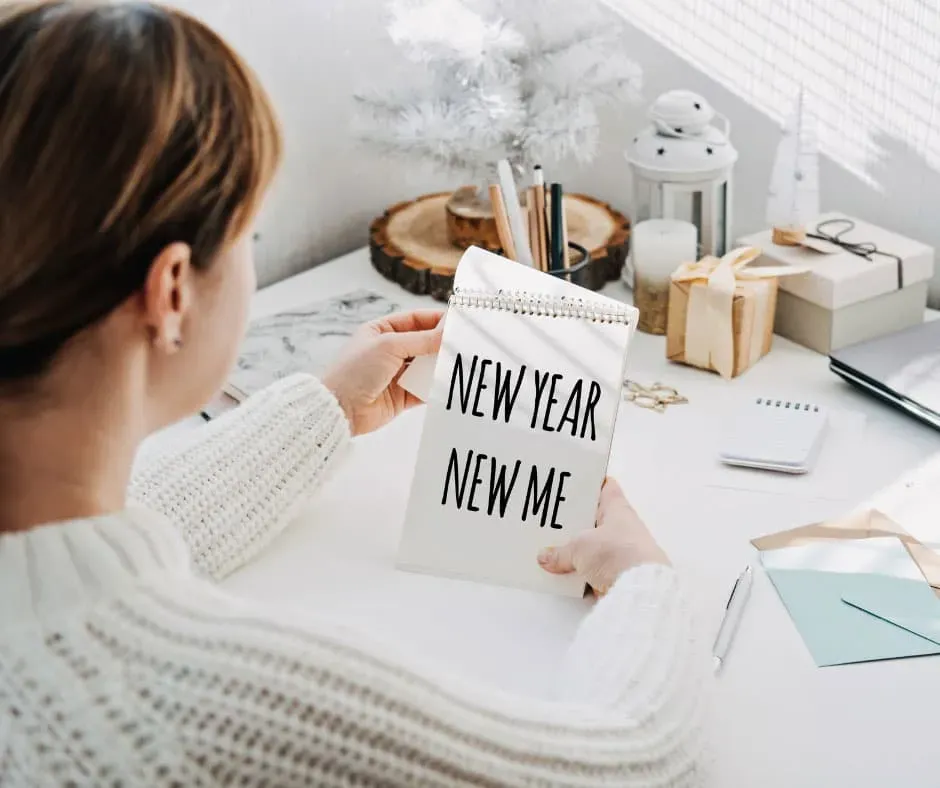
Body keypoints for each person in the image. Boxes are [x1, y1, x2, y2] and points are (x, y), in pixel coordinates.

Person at [0, 2, 711, 785]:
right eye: (248, 236)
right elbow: (626, 764)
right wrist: (646, 583)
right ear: (172, 291)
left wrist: (326, 410)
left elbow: (87, 555)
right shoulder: (190, 706)